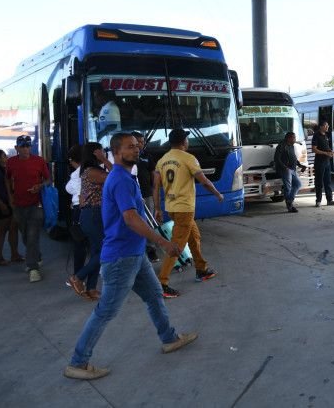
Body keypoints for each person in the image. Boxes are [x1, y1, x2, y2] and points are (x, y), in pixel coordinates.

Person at [64, 133, 197, 381]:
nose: (136, 150)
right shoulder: (121, 179)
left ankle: (169, 338)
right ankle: (78, 363)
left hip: (134, 254)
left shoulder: (120, 174)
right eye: (129, 147)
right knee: (107, 311)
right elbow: (130, 218)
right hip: (121, 258)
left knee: (154, 295)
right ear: (116, 151)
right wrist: (162, 241)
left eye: (137, 146)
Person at [153, 128, 222, 298]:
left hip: (172, 207)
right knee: (176, 245)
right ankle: (162, 283)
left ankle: (201, 269)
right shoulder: (189, 158)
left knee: (194, 236)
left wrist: (157, 208)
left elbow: (156, 187)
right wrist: (217, 194)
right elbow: (203, 181)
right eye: (187, 139)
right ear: (184, 142)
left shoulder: (162, 160)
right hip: (184, 207)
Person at [68, 142, 112, 301]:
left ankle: (92, 289)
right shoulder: (91, 172)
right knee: (106, 251)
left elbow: (81, 195)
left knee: (96, 252)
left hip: (93, 214)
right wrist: (105, 160)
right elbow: (117, 177)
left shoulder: (88, 172)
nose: (104, 153)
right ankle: (78, 277)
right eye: (101, 151)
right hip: (94, 214)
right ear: (95, 154)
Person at [5, 134, 51, 282]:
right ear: (16, 148)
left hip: (36, 204)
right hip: (18, 205)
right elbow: (7, 178)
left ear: (31, 147)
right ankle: (36, 257)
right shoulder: (11, 162)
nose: (25, 149)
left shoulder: (39, 161)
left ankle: (33, 268)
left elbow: (48, 179)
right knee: (25, 236)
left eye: (27, 146)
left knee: (32, 236)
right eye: (22, 146)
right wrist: (10, 196)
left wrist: (41, 186)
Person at [132, 131, 160, 263]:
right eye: (139, 142)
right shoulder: (126, 156)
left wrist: (155, 190)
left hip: (146, 193)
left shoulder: (147, 156)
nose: (142, 144)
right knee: (133, 222)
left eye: (143, 142)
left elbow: (153, 174)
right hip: (131, 195)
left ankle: (151, 249)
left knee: (149, 222)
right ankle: (136, 249)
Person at [65, 144, 87, 275]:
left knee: (79, 243)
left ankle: (78, 275)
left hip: (80, 209)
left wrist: (78, 205)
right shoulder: (95, 170)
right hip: (91, 207)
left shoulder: (77, 174)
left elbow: (79, 193)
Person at [274, 132, 307, 213]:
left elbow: (294, 157)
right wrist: (285, 167)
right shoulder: (281, 146)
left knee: (298, 184)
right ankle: (290, 206)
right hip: (286, 170)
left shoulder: (291, 145)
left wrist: (300, 165)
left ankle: (289, 200)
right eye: (294, 138)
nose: (295, 140)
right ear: (289, 138)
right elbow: (276, 158)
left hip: (293, 169)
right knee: (288, 187)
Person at [312, 121, 334, 207]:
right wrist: (325, 153)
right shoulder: (316, 136)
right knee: (319, 182)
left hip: (327, 162)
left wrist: (330, 151)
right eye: (325, 126)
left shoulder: (325, 136)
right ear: (320, 127)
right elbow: (314, 149)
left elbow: (326, 147)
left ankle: (329, 200)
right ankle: (318, 200)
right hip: (320, 162)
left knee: (328, 182)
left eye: (328, 125)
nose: (327, 127)